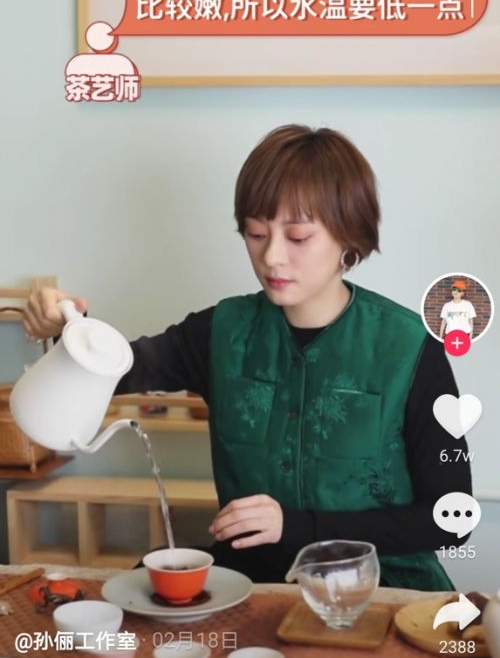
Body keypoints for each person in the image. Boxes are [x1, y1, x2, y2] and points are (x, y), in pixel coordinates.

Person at [23, 124, 473, 588]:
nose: (272, 256)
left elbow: (451, 519)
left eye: (298, 237)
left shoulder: (409, 348)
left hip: (384, 584)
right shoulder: (222, 332)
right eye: (256, 233)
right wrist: (66, 325)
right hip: (253, 582)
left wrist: (298, 528)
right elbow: (113, 372)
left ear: (349, 237)